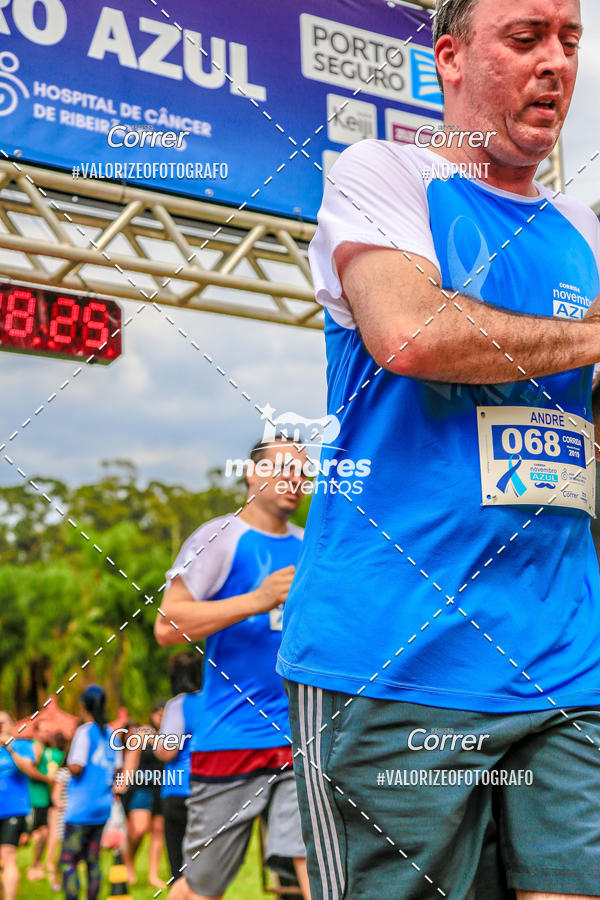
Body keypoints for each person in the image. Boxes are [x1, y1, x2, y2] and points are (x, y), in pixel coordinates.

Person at [277, 1, 600, 898]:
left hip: (565, 660)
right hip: (394, 660)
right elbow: (412, 333)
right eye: (526, 38)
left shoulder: (585, 231)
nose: (556, 64)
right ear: (450, 58)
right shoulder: (384, 172)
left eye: (570, 41)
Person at [155, 438, 311, 900]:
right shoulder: (219, 537)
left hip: (300, 739)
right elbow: (167, 625)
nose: (294, 480)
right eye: (282, 468)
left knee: (316, 862)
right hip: (234, 739)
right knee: (202, 887)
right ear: (250, 473)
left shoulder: (310, 547)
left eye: (303, 472)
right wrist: (256, 601)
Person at [59, 685, 122, 900]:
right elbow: (117, 768)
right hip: (102, 807)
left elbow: (76, 767)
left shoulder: (85, 731)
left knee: (68, 860)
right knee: (93, 860)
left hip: (80, 809)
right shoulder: (111, 733)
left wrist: (65, 762)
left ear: (84, 705)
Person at [154, 652, 203, 881]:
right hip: (208, 788)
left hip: (179, 790)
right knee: (202, 864)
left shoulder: (177, 705)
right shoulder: (213, 701)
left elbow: (168, 750)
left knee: (179, 867)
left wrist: (155, 743)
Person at [0, 711, 53, 900]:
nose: (0, 726)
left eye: (3, 722)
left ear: (13, 724)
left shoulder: (22, 746)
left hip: (13, 810)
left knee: (8, 855)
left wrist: (10, 748)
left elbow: (27, 769)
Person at [121, 702, 166, 888]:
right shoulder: (142, 732)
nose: (161, 718)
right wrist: (122, 785)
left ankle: (153, 875)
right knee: (139, 829)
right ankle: (128, 861)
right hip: (141, 787)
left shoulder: (171, 735)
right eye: (159, 714)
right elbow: (131, 760)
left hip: (162, 787)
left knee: (158, 831)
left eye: (165, 715)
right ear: (152, 714)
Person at [27, 720, 65, 883]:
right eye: (44, 730)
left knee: (44, 833)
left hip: (44, 798)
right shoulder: (35, 747)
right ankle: (34, 866)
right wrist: (48, 779)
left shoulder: (47, 750)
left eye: (49, 730)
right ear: (36, 732)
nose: (47, 733)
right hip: (34, 798)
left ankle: (36, 865)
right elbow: (29, 769)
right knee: (35, 834)